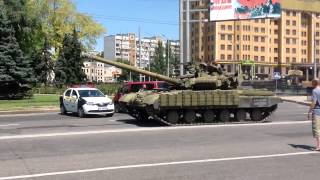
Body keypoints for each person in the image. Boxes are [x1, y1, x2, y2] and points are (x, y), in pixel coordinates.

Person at [308, 79, 320, 151]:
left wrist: (309, 112)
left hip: (317, 111)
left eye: (312, 82)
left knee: (317, 129)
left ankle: (318, 146)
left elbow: (314, 103)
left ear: (314, 83)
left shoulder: (315, 90)